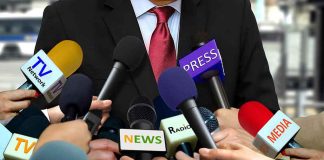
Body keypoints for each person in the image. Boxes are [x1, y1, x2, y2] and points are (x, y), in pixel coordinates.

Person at [36, 0, 279, 158]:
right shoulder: (66, 17)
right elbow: (34, 126)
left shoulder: (233, 11)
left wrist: (254, 142)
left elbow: (268, 119)